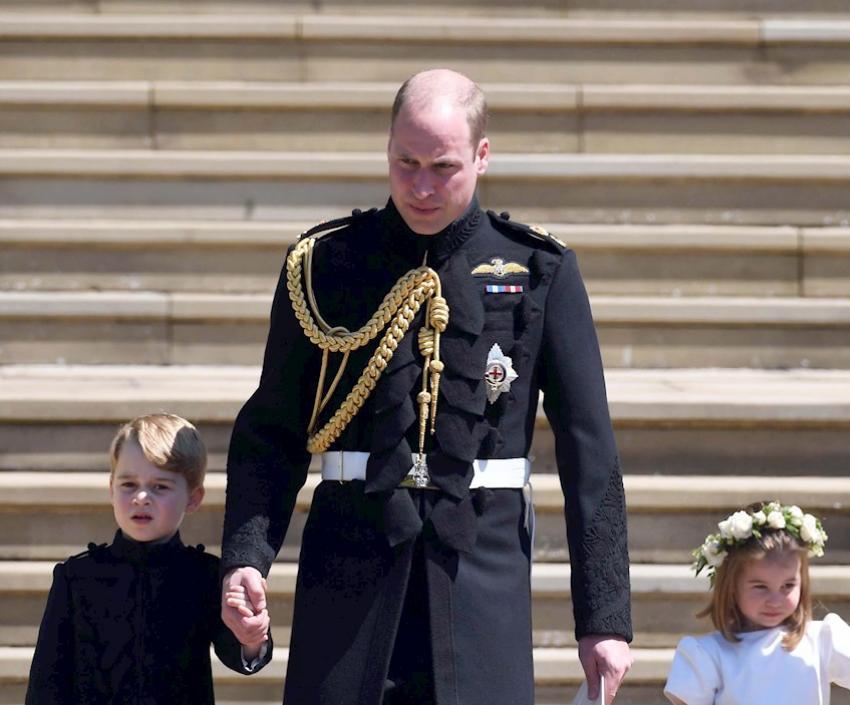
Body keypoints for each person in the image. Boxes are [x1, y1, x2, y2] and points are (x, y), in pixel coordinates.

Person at [219, 68, 633, 705]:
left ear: (483, 155)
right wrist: (247, 556)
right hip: (349, 566)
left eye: (442, 167)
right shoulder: (327, 262)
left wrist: (603, 618)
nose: (420, 186)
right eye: (404, 161)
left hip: (480, 568)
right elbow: (271, 430)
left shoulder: (537, 268)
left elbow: (590, 453)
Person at [26, 413, 271, 705]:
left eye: (160, 486)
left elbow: (236, 652)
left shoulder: (204, 576)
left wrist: (252, 640)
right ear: (111, 488)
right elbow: (47, 680)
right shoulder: (77, 576)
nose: (141, 497)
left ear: (193, 498)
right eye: (128, 484)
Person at [664, 501, 850, 704]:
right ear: (731, 586)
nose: (775, 600)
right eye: (760, 587)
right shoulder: (708, 655)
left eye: (788, 586)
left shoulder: (822, 638)